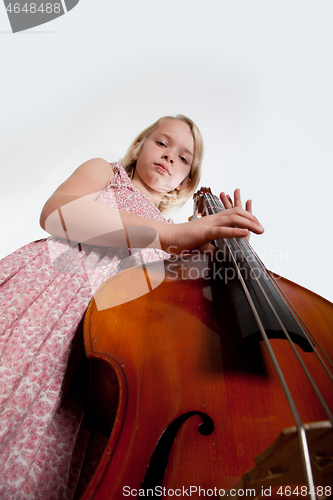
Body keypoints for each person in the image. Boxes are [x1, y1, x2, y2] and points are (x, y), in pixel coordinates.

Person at [0, 115, 264, 499]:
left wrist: (215, 251)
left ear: (186, 182)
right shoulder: (105, 174)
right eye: (162, 143)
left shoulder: (177, 241)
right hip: (41, 306)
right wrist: (173, 235)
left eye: (184, 158)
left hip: (99, 347)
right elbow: (57, 214)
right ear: (140, 146)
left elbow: (170, 313)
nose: (170, 156)